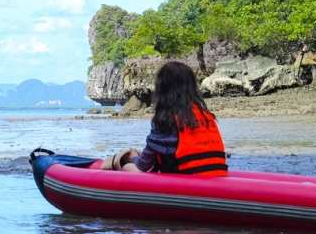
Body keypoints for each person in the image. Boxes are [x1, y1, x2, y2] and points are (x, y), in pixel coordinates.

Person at [96, 60, 228, 176]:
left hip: (187, 182)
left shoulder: (166, 119)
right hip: (216, 177)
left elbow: (143, 166)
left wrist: (131, 158)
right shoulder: (206, 116)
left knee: (127, 167)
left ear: (162, 90)